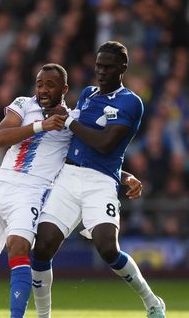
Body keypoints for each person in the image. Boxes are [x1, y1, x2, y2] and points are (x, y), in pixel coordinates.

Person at [0, 63, 143, 318]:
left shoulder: (71, 120)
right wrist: (41, 126)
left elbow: (89, 158)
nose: (42, 90)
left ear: (64, 89)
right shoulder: (23, 105)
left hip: (34, 192)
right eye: (39, 84)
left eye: (49, 85)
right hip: (1, 185)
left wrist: (125, 177)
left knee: (18, 247)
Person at [31, 41, 166, 318]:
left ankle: (152, 301)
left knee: (107, 248)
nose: (101, 71)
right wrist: (126, 174)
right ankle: (43, 315)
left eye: (108, 66)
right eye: (98, 66)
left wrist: (68, 121)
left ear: (123, 68)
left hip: (101, 183)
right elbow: (79, 142)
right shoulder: (87, 94)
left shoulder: (131, 102)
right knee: (42, 247)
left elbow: (105, 145)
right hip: (68, 177)